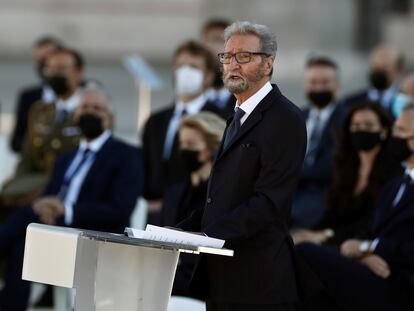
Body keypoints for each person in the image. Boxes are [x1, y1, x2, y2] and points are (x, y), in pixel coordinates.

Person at [177, 21, 307, 311]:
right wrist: (176, 232)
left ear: (268, 63)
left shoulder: (285, 118)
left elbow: (269, 202)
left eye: (243, 56)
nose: (232, 64)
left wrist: (210, 236)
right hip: (222, 279)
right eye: (227, 56)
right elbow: (222, 196)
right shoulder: (236, 115)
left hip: (259, 282)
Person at [0, 85, 144, 311]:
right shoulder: (66, 158)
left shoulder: (127, 155)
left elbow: (120, 209)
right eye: (84, 107)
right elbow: (51, 195)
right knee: (21, 246)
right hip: (57, 231)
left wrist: (66, 209)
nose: (89, 112)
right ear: (75, 115)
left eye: (97, 108)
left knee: (25, 216)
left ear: (110, 118)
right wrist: (49, 208)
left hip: (94, 237)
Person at [297, 103, 414, 311]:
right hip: (369, 267)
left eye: (401, 131)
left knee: (305, 253)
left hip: (398, 283)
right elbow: (368, 230)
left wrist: (368, 248)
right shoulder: (398, 185)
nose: (394, 136)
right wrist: (362, 253)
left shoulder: (391, 176)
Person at [293, 102, 402, 247]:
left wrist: (325, 235)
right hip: (335, 241)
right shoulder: (345, 168)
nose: (361, 129)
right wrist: (309, 233)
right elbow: (332, 213)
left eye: (368, 125)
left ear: (383, 131)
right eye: (356, 125)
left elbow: (372, 223)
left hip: (361, 246)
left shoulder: (395, 172)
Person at [142, 40, 224, 225]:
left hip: (195, 211)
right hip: (156, 214)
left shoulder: (221, 118)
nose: (185, 72)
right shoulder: (156, 121)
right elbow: (146, 165)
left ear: (209, 76)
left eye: (194, 67)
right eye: (180, 66)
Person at [0, 47, 85, 212]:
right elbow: (27, 157)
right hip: (33, 189)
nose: (54, 74)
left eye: (61, 69)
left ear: (79, 72)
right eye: (50, 69)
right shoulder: (40, 111)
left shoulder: (90, 110)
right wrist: (17, 186)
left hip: (67, 197)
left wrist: (45, 191)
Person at [161, 112, 226, 296]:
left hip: (200, 283)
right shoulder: (174, 192)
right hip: (168, 274)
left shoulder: (221, 194)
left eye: (190, 144)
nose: (184, 149)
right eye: (182, 144)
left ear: (211, 148)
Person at [291, 56, 346, 229]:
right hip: (289, 189)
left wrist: (291, 173)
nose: (319, 87)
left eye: (325, 82)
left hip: (323, 194)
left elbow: (332, 165)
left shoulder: (346, 119)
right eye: (313, 82)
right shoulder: (297, 116)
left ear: (337, 85)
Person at [10, 36, 63, 153]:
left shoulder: (87, 92)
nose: (46, 65)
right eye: (41, 60)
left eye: (50, 57)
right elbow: (16, 142)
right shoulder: (28, 97)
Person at [344, 45, 405, 116]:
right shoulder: (350, 103)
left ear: (399, 71)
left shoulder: (407, 103)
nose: (379, 73)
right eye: (376, 68)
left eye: (385, 68)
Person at [201, 18, 236, 117]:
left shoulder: (246, 102)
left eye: (219, 41)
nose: (221, 48)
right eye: (215, 40)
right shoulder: (188, 100)